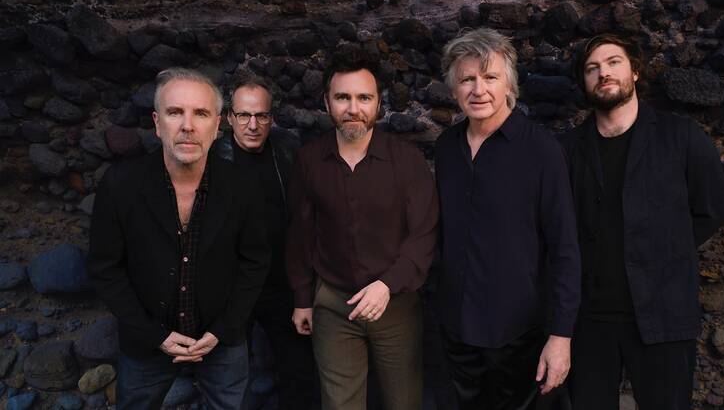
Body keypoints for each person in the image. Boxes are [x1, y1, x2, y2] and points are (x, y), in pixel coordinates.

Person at [562, 33, 724, 410]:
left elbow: (711, 210)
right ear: (584, 83)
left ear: (634, 71)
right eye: (592, 68)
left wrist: (662, 253)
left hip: (663, 314)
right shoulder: (567, 150)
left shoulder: (681, 137)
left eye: (613, 62)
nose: (603, 73)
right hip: (588, 321)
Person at [87, 67, 270, 409]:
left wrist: (224, 330)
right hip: (146, 342)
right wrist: (153, 335)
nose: (188, 125)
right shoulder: (121, 185)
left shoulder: (243, 186)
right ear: (157, 123)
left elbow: (255, 262)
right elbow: (105, 269)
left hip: (222, 340)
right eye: (175, 112)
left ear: (217, 126)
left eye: (200, 113)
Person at [285, 45, 439, 410]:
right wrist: (302, 299)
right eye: (343, 97)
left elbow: (424, 232)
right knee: (339, 405)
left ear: (378, 103)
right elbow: (300, 235)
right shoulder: (309, 160)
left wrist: (387, 285)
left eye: (363, 97)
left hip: (395, 303)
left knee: (404, 403)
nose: (353, 108)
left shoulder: (406, 160)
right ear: (327, 103)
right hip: (332, 305)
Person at [434, 28, 581, 409]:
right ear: (454, 89)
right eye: (467, 79)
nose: (478, 89)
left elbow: (565, 247)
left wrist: (560, 336)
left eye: (490, 77)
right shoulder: (447, 147)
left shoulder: (541, 151)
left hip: (517, 334)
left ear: (509, 85)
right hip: (455, 330)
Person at [215, 74, 316, 409]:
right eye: (244, 115)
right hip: (231, 289)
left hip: (280, 285)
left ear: (271, 118)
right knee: (229, 379)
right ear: (229, 118)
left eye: (261, 116)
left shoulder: (286, 152)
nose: (253, 125)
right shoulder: (210, 160)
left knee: (299, 374)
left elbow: (305, 219)